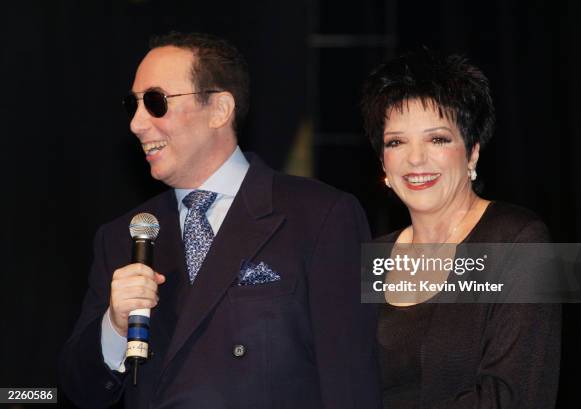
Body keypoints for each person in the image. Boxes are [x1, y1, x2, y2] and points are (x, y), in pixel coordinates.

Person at [60, 32, 381, 409]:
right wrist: (114, 326)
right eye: (133, 105)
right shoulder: (123, 236)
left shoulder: (319, 215)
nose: (136, 123)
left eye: (155, 102)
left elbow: (350, 381)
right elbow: (80, 390)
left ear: (219, 109)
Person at [360, 51, 561, 408]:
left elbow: (511, 397)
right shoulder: (367, 260)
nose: (415, 158)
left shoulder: (517, 240)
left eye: (437, 139)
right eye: (396, 142)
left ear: (472, 153)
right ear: (383, 163)